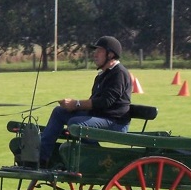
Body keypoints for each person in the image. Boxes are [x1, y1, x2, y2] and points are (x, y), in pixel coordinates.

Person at [39, 36, 132, 167]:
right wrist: (71, 106)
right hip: (100, 117)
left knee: (76, 123)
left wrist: (76, 104)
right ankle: (42, 158)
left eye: (99, 51)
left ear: (110, 54)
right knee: (59, 112)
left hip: (115, 122)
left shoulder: (119, 74)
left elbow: (105, 102)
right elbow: (94, 102)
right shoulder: (102, 75)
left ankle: (99, 157)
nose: (95, 54)